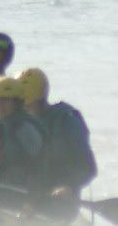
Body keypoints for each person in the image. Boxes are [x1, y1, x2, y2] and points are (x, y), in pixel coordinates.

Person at [16, 66, 98, 216]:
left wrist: (69, 185)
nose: (25, 109)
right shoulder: (16, 122)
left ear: (41, 99)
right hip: (26, 197)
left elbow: (87, 166)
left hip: (60, 202)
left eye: (29, 104)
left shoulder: (66, 120)